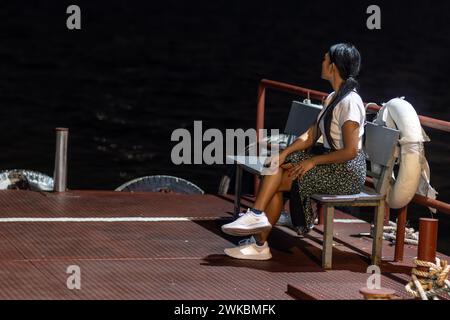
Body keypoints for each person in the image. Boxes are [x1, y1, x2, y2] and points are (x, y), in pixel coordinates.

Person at [221, 43, 367, 260]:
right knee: (278, 165)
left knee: (278, 180)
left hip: (347, 172)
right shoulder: (332, 97)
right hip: (331, 162)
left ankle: (259, 238)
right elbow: (310, 135)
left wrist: (312, 162)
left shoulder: (350, 102)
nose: (322, 62)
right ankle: (257, 223)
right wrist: (283, 153)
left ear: (333, 67)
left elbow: (350, 151)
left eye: (325, 59)